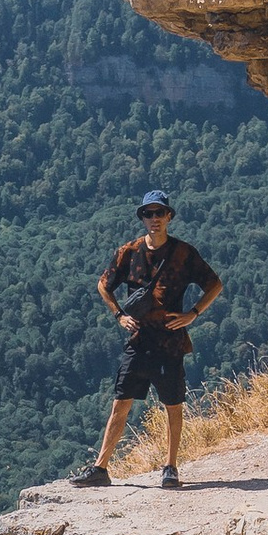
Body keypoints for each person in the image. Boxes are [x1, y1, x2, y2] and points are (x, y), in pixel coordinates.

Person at [69, 191, 223, 486]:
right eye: (148, 214)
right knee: (120, 402)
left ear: (169, 217)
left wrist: (193, 313)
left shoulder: (184, 253)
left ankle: (171, 467)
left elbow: (215, 284)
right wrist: (119, 315)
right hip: (138, 341)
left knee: (173, 404)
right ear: (142, 217)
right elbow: (104, 285)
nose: (154, 219)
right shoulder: (129, 252)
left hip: (169, 341)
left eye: (159, 213)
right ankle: (100, 469)